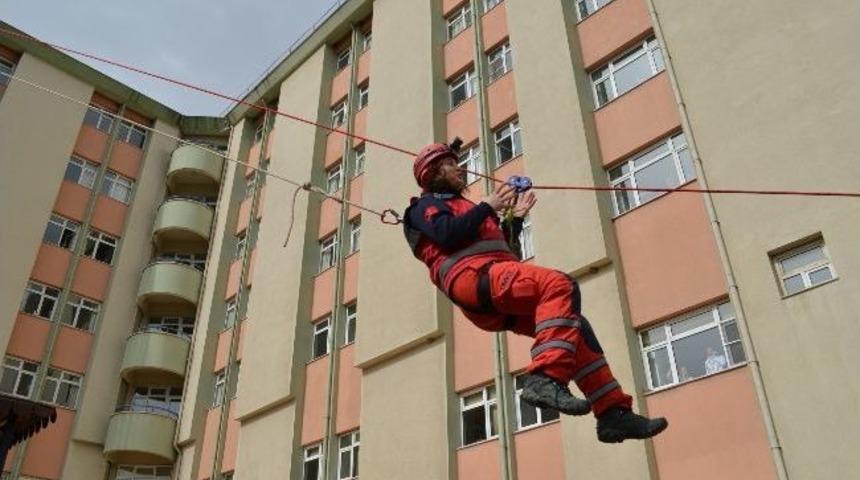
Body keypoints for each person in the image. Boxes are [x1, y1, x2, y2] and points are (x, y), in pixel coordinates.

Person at [402, 141, 668, 443]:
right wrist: (488, 206)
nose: (460, 168)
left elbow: (506, 253)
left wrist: (513, 219)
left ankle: (612, 413)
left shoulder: (472, 210)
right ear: (432, 172)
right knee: (559, 284)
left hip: (489, 283)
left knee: (576, 328)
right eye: (451, 164)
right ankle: (545, 378)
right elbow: (448, 234)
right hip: (471, 279)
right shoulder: (424, 207)